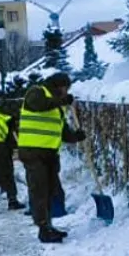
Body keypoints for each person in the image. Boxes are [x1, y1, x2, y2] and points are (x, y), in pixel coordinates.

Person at [19, 71, 82, 244]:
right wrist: (62, 101)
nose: (66, 91)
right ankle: (43, 228)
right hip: (33, 151)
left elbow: (61, 131)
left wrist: (76, 136)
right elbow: (39, 105)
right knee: (39, 189)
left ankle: (48, 225)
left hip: (49, 154)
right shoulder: (37, 92)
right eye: (65, 87)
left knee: (48, 190)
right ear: (58, 85)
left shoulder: (57, 106)